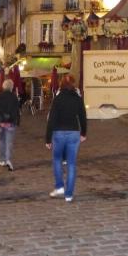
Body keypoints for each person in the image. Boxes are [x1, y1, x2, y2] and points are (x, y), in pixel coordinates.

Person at [45, 74, 87, 203]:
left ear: (61, 84)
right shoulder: (78, 98)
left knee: (57, 160)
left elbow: (51, 119)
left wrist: (48, 138)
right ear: (73, 84)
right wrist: (83, 133)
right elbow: (82, 116)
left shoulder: (58, 99)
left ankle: (59, 187)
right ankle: (69, 194)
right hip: (73, 132)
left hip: (58, 132)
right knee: (71, 163)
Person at [0, 79, 21, 171]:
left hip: (1, 122)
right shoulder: (14, 97)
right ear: (12, 87)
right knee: (9, 142)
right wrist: (15, 121)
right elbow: (16, 111)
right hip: (11, 123)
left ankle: (2, 160)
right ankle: (8, 159)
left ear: (3, 86)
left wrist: (1, 120)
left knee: (2, 140)